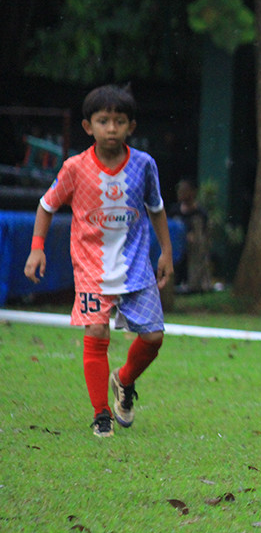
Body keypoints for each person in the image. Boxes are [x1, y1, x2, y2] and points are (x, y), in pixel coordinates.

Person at [23, 84, 173, 437]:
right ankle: (100, 413)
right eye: (103, 121)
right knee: (96, 329)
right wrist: (36, 247)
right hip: (90, 266)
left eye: (119, 121)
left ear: (130, 127)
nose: (111, 128)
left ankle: (123, 380)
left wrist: (165, 251)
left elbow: (157, 209)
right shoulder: (75, 168)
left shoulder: (144, 165)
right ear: (88, 126)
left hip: (135, 265)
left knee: (153, 337)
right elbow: (47, 205)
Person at [168, 178, 212, 293]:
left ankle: (195, 285)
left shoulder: (200, 213)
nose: (180, 193)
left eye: (184, 190)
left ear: (193, 192)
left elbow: (205, 234)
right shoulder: (174, 211)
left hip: (193, 250)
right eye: (179, 190)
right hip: (176, 249)